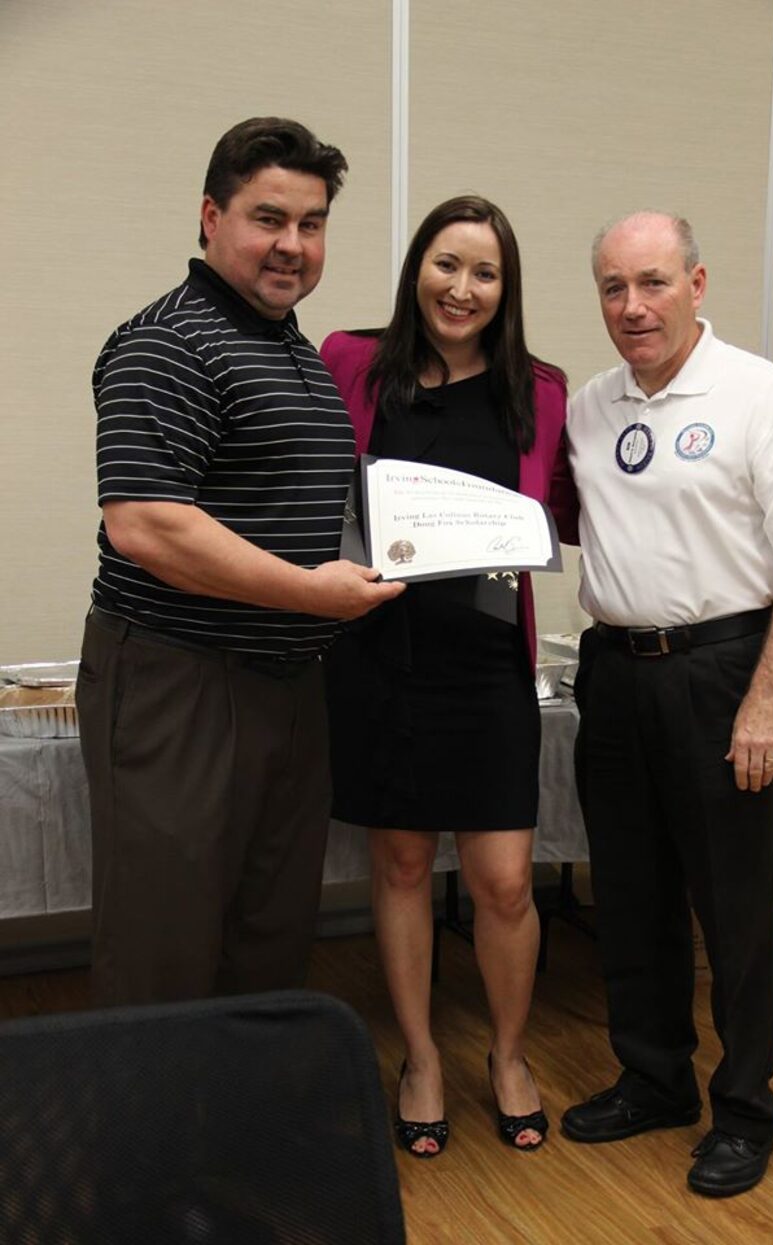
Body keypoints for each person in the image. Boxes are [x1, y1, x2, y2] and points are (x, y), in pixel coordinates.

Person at [76, 117, 403, 1007]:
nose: (291, 245)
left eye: (312, 223)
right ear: (211, 216)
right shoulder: (167, 341)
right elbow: (147, 524)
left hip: (286, 681)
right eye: (268, 218)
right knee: (164, 946)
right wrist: (310, 593)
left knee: (269, 937)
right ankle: (152, 1149)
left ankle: (239, 1139)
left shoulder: (291, 347)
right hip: (179, 681)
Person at [563, 211, 773, 1197]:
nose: (630, 307)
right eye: (610, 288)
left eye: (651, 283)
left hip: (727, 674)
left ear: (696, 283)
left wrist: (767, 700)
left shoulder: (762, 397)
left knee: (733, 903)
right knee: (628, 895)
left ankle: (745, 1107)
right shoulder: (587, 408)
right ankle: (652, 1077)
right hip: (614, 670)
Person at [320, 195, 579, 1156]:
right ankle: (422, 1055)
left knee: (506, 880)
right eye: (445, 264)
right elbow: (309, 478)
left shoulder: (540, 388)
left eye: (484, 273)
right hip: (379, 657)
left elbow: (560, 507)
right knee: (397, 864)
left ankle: (508, 1052)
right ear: (415, 268)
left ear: (506, 290)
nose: (461, 288)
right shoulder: (351, 359)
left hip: (485, 663)